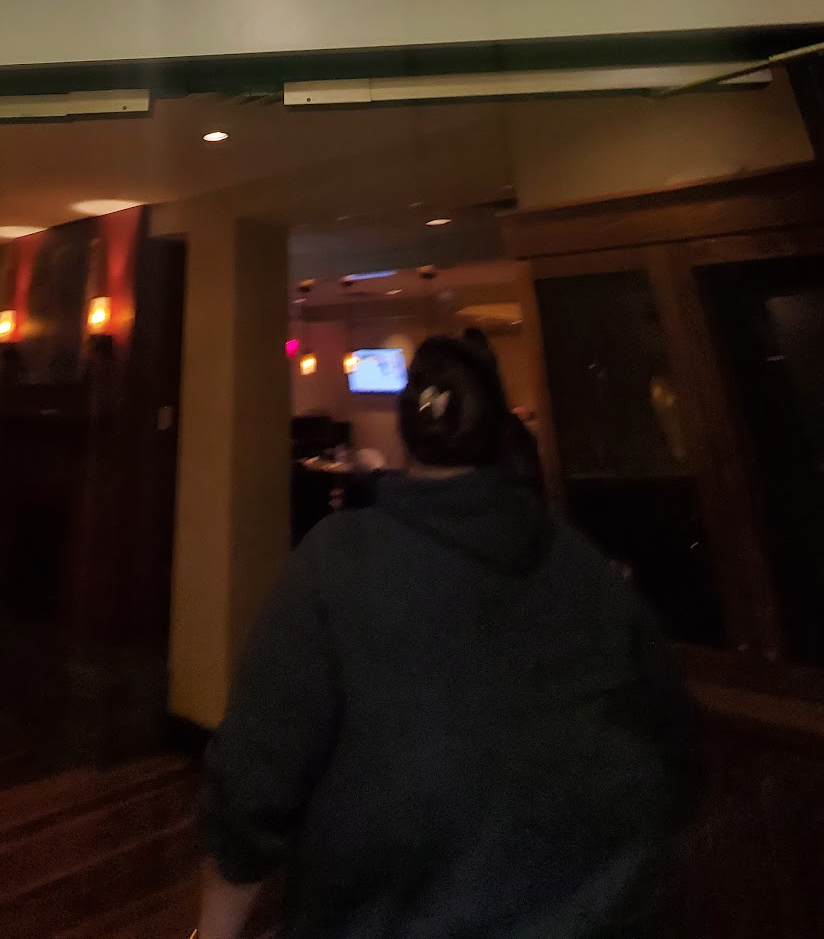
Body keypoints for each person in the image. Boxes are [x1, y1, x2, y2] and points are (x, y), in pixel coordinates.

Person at [198, 330, 697, 939]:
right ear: (501, 431)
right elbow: (675, 752)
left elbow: (253, 782)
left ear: (406, 431)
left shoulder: (336, 563)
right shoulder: (590, 570)